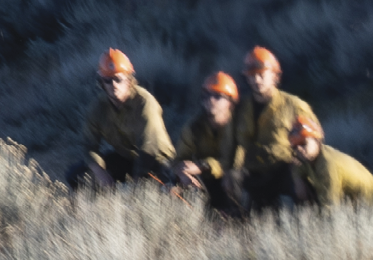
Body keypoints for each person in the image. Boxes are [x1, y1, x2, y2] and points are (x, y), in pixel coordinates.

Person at [67, 47, 174, 189]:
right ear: (101, 83)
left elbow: (149, 146)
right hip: (126, 158)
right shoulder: (98, 107)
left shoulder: (145, 103)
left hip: (155, 160)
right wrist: (100, 172)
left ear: (129, 80)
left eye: (118, 79)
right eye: (108, 80)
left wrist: (136, 182)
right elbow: (89, 145)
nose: (114, 85)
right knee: (76, 176)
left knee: (165, 187)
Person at [232, 45, 317, 213]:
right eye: (252, 76)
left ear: (275, 76)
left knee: (300, 207)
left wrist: (301, 173)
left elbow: (314, 142)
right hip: (253, 175)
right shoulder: (240, 109)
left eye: (261, 75)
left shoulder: (295, 106)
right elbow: (235, 144)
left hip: (285, 173)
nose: (256, 80)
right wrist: (232, 172)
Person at [172, 70, 248, 216]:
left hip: (232, 180)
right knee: (176, 185)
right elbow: (179, 158)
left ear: (231, 103)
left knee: (234, 176)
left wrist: (202, 166)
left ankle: (236, 218)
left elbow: (237, 161)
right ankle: (203, 217)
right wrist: (182, 173)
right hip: (207, 181)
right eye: (207, 95)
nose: (210, 100)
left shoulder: (240, 126)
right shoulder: (194, 126)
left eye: (218, 96)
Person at [281, 112, 373, 209]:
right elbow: (297, 168)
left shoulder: (328, 165)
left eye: (303, 143)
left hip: (372, 208)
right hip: (351, 205)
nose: (299, 150)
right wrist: (298, 180)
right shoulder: (310, 157)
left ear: (317, 140)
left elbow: (329, 209)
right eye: (295, 147)